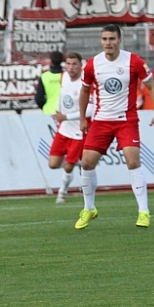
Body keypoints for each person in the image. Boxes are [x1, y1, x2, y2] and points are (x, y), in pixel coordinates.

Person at [76, 25, 154, 230]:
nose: (108, 43)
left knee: (133, 161)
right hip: (101, 121)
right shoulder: (92, 64)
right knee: (86, 163)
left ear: (119, 40)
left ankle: (143, 211)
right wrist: (82, 118)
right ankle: (89, 208)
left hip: (126, 119)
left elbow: (152, 86)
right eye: (104, 39)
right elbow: (84, 91)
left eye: (112, 39)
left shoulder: (134, 61)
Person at [46, 52, 94, 204]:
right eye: (68, 64)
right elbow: (62, 96)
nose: (71, 67)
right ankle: (79, 162)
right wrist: (58, 110)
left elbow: (90, 110)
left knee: (67, 167)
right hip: (64, 129)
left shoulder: (85, 83)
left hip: (79, 131)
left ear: (80, 66)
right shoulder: (63, 77)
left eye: (74, 64)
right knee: (53, 164)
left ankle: (62, 193)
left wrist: (67, 116)